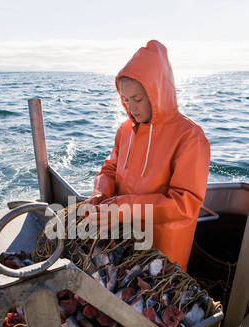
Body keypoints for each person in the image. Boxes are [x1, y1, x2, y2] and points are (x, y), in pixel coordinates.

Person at [84, 40, 210, 272]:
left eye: (138, 99)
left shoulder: (190, 136)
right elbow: (110, 169)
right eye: (126, 99)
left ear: (158, 93)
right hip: (123, 239)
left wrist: (125, 208)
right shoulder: (125, 129)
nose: (131, 108)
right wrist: (100, 194)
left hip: (163, 249)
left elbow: (185, 204)